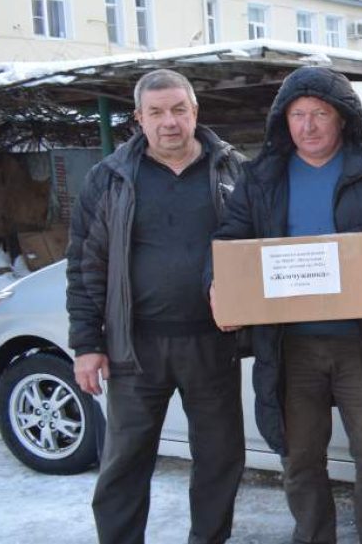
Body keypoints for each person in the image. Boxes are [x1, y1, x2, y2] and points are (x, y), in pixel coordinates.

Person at [210, 66, 362, 544]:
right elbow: (230, 243)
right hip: (291, 347)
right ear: (283, 120)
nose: (308, 126)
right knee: (299, 459)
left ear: (343, 119)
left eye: (320, 113)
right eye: (297, 114)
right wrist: (218, 286)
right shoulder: (261, 177)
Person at [66, 68, 247, 544]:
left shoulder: (233, 170)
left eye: (178, 110)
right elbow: (84, 264)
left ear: (195, 112)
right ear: (139, 119)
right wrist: (87, 344)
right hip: (135, 346)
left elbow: (257, 249)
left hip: (214, 341)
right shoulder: (109, 178)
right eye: (157, 112)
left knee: (219, 457)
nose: (170, 121)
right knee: (125, 461)